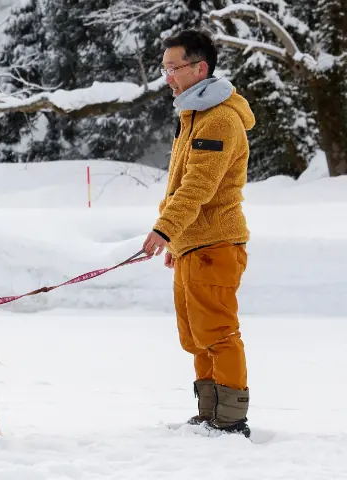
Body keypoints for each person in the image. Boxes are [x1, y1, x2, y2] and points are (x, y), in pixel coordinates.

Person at [141, 29, 255, 438]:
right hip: (195, 243)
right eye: (165, 68)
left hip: (217, 242)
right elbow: (179, 184)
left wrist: (164, 230)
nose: (168, 76)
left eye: (174, 68)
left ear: (199, 68)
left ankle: (231, 419)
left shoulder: (220, 118)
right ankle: (209, 415)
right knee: (194, 335)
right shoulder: (193, 116)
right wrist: (178, 240)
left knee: (218, 332)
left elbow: (198, 187)